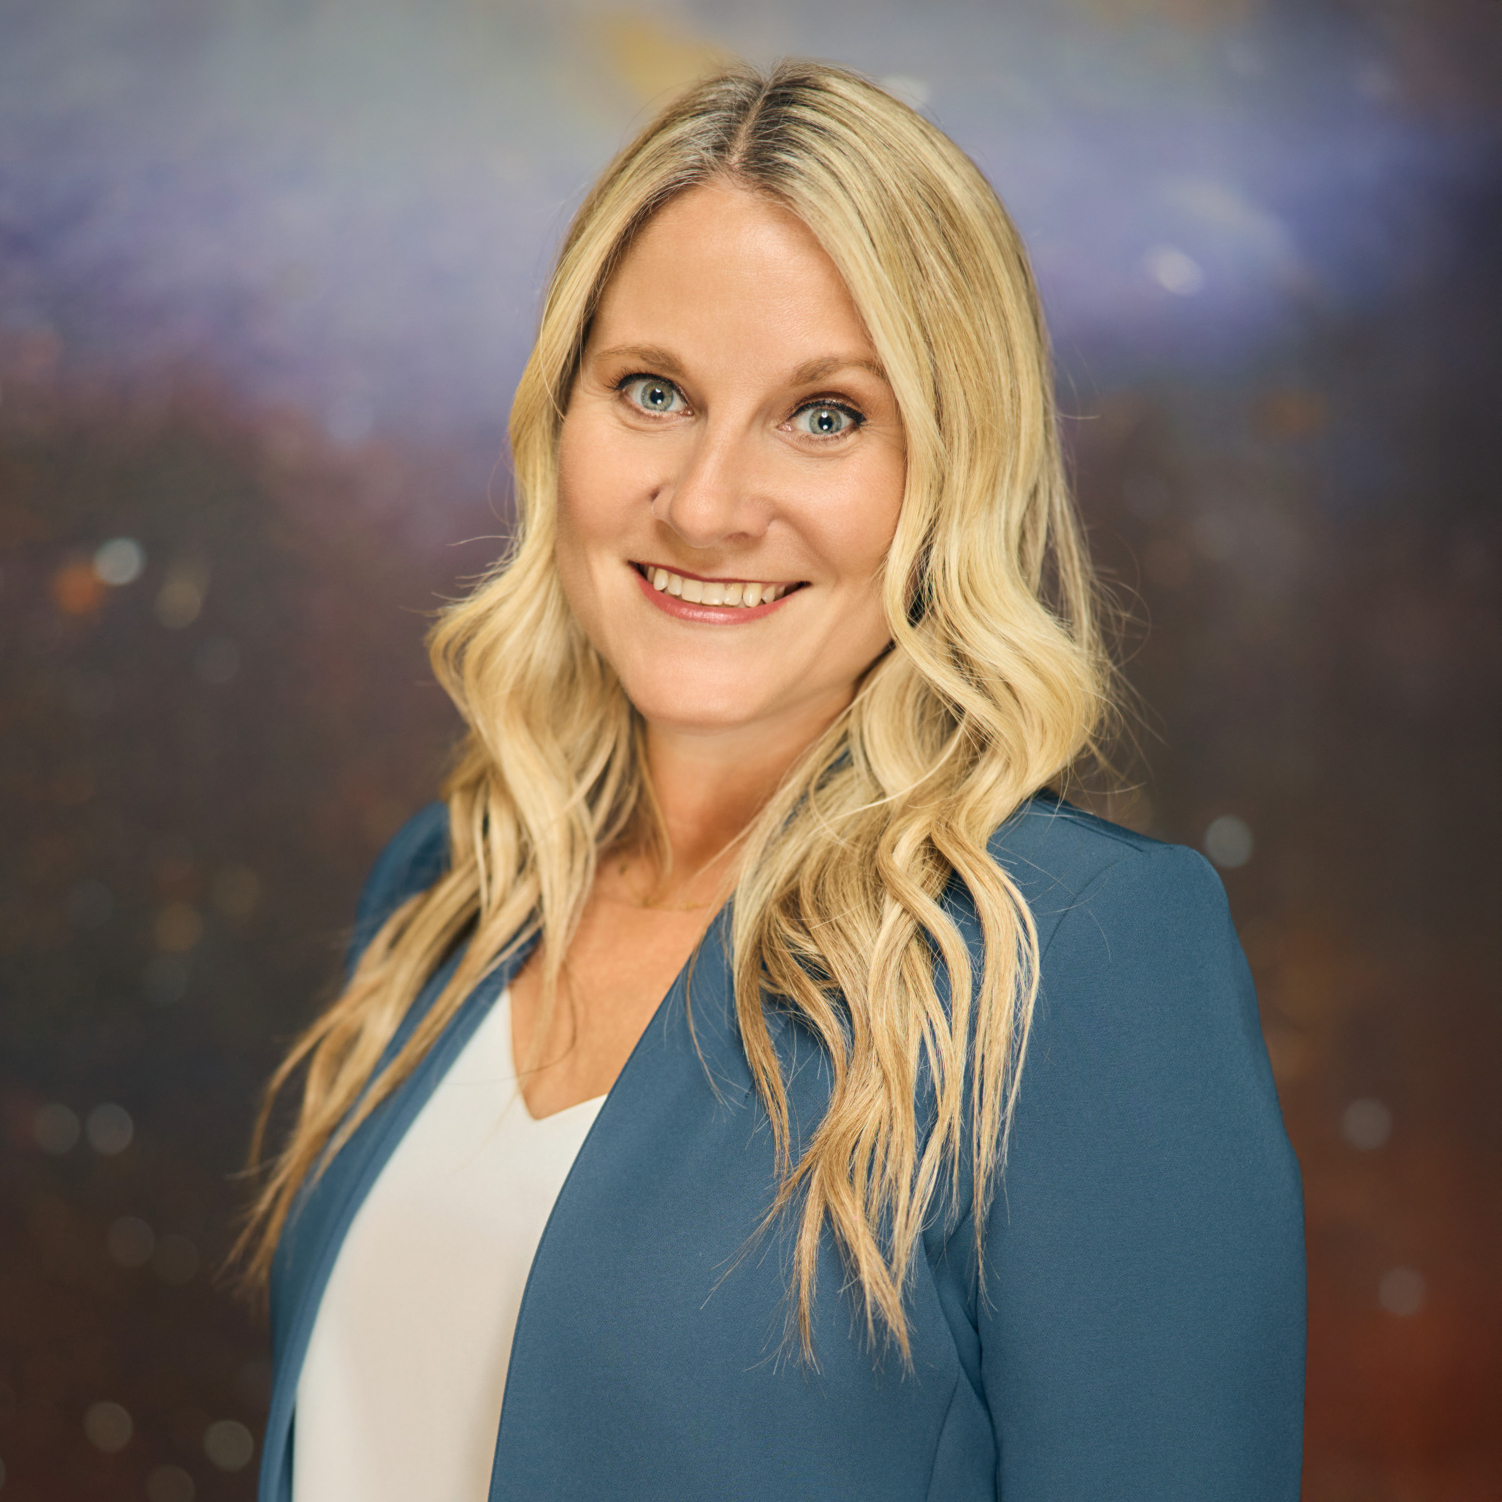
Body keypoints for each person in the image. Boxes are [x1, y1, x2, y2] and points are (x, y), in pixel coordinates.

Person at [239, 60, 1305, 1502]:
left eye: (824, 415)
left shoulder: (1077, 958)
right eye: (652, 390)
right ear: (559, 420)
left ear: (952, 470)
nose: (706, 503)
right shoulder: (444, 892)